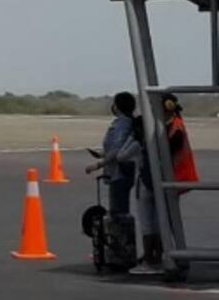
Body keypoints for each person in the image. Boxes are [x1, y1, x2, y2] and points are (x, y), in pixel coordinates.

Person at [129, 94, 200, 274]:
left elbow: (164, 151)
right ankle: (168, 256)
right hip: (170, 178)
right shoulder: (170, 125)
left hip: (173, 178)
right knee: (165, 220)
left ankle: (163, 258)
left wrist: (144, 138)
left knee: (162, 221)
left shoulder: (173, 128)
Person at [86, 92, 142, 217]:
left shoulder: (123, 124)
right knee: (117, 209)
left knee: (119, 212)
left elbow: (117, 150)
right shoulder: (121, 123)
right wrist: (101, 154)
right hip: (116, 173)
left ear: (118, 106)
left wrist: (98, 165)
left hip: (120, 173)